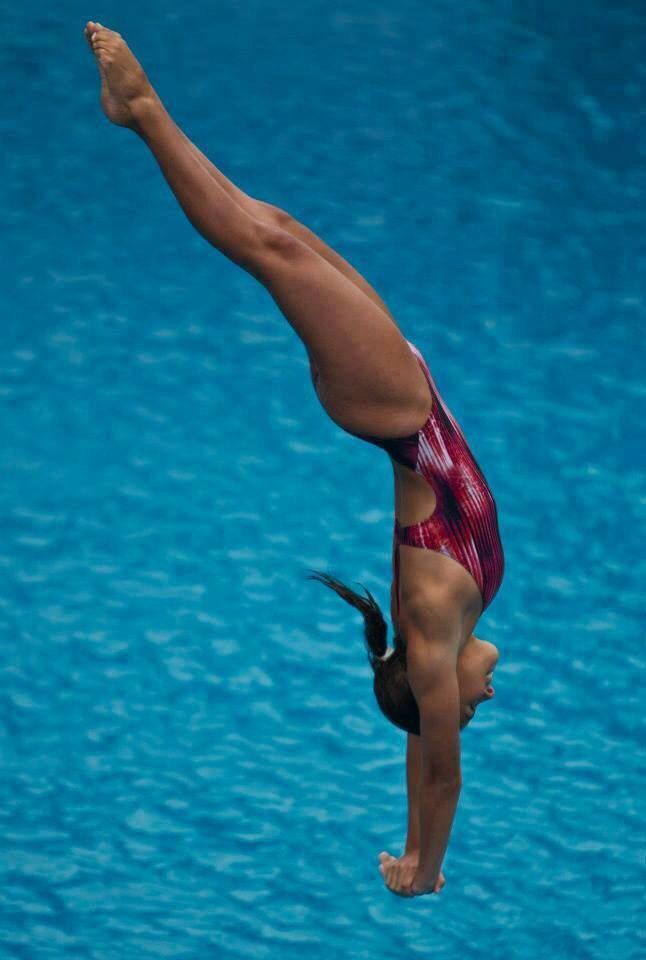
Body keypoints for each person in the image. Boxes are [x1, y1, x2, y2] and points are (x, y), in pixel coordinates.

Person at [83, 21, 505, 898]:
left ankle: (143, 113)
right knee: (276, 225)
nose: (479, 703)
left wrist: (426, 865)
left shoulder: (432, 636)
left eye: (465, 711)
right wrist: (408, 841)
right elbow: (421, 755)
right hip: (408, 386)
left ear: (434, 697)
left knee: (266, 247)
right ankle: (145, 114)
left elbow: (438, 771)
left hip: (390, 408)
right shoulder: (444, 632)